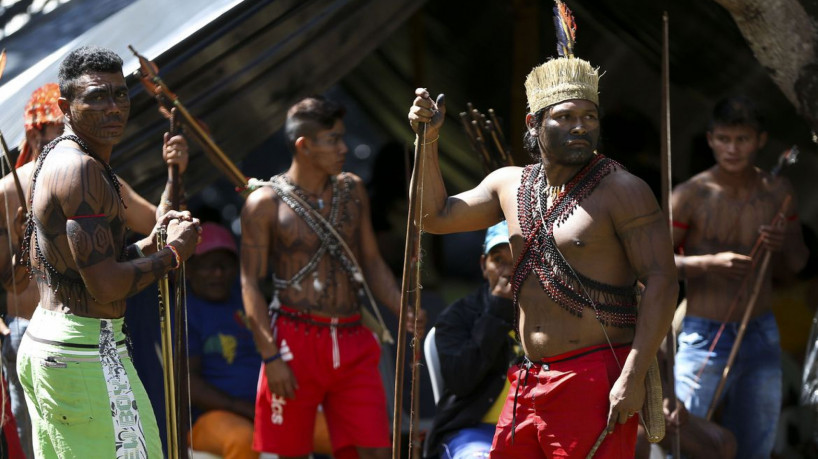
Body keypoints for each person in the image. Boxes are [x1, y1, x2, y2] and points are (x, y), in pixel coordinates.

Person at [407, 51, 678, 455]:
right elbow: (432, 216)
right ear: (534, 123)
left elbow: (662, 280)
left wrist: (633, 377)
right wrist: (428, 140)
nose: (580, 127)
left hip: (594, 377)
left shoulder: (623, 190)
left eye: (589, 117)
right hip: (529, 380)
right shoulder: (508, 184)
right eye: (565, 117)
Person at [14, 45, 200, 458]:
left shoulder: (66, 159)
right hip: (84, 354)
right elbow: (105, 286)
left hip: (59, 347)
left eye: (120, 94)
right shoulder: (80, 170)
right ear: (66, 105)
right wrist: (172, 256)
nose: (113, 107)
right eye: (97, 95)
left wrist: (152, 244)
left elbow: (89, 266)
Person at [241, 95, 422, 459]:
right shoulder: (264, 203)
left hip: (353, 338)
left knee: (373, 450)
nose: (344, 148)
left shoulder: (353, 190)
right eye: (333, 140)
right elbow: (249, 283)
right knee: (289, 453)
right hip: (294, 340)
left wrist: (403, 307)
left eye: (342, 137)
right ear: (303, 146)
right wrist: (271, 357)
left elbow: (370, 261)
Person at [671, 95, 809, 458]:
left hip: (759, 333)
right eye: (723, 139)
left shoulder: (777, 192)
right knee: (677, 434)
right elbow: (654, 265)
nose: (732, 149)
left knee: (755, 443)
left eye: (742, 139)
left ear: (760, 140)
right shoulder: (689, 196)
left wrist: (781, 243)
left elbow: (797, 264)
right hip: (703, 332)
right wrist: (708, 263)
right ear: (710, 139)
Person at [423, 221, 520, 459]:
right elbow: (460, 381)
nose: (507, 270)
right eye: (498, 260)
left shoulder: (551, 316)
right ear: (483, 265)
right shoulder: (458, 316)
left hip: (534, 429)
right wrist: (498, 310)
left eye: (517, 260)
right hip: (474, 431)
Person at [186, 222, 259, 459]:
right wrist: (245, 409)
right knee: (242, 440)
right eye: (207, 266)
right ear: (188, 270)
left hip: (268, 409)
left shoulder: (246, 300)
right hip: (209, 418)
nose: (217, 273)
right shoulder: (185, 312)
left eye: (224, 265)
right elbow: (189, 384)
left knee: (333, 428)